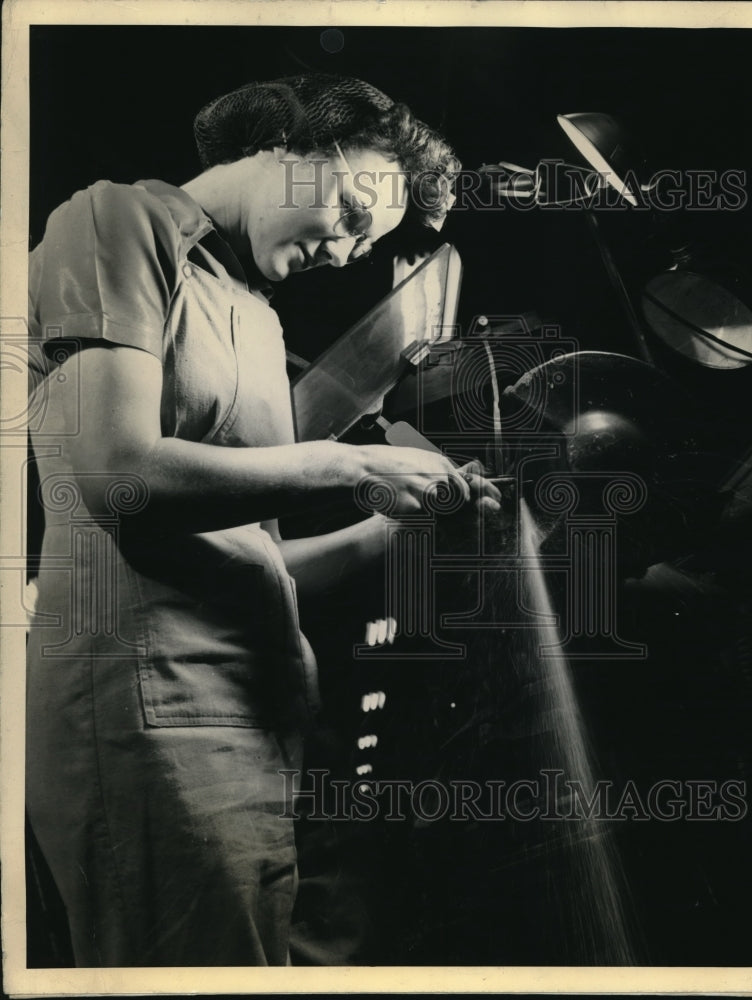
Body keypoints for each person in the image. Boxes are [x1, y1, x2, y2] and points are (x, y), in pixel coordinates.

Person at [26, 75, 500, 967]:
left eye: (372, 243)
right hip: (152, 719)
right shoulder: (118, 219)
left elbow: (263, 568)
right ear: (282, 147)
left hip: (253, 721)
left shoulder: (249, 308)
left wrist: (403, 525)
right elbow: (118, 476)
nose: (349, 249)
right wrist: (356, 463)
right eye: (353, 209)